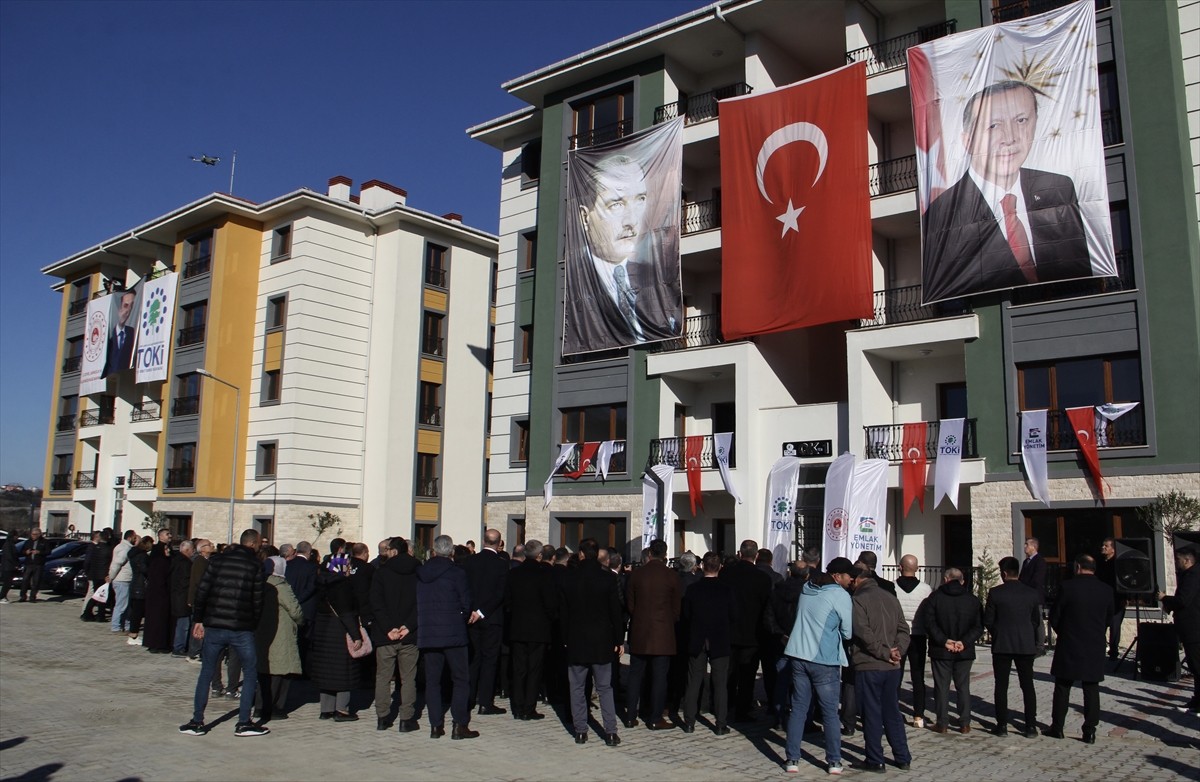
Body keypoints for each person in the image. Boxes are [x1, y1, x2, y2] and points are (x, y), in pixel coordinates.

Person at [921, 80, 1091, 301]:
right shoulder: (943, 212)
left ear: (1035, 125)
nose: (1010, 138)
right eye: (994, 126)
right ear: (968, 141)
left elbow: (1079, 270)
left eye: (1021, 120)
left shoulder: (1059, 187)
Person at [564, 152, 682, 353]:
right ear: (585, 217)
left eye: (640, 199)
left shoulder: (653, 277)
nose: (632, 221)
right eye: (616, 204)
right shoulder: (572, 281)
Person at [180, 528, 268, 737]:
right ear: (253, 544)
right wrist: (253, 624)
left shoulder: (217, 561)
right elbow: (257, 600)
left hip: (215, 624)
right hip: (241, 627)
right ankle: (244, 722)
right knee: (250, 672)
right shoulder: (255, 565)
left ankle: (197, 720)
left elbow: (203, 591)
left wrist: (199, 619)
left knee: (207, 672)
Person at [782, 557, 856, 776]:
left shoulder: (807, 587)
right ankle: (834, 760)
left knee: (798, 708)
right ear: (837, 576)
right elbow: (848, 632)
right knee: (830, 712)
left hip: (798, 654)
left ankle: (792, 758)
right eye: (849, 576)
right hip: (823, 659)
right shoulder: (840, 595)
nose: (851, 579)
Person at [848, 564, 912, 773]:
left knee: (872, 714)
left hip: (870, 664)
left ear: (857, 579)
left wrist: (887, 653)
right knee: (892, 711)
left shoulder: (859, 599)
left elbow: (863, 633)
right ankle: (902, 757)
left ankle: (875, 759)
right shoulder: (890, 597)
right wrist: (898, 651)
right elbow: (904, 629)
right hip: (891, 667)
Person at [561, 537, 623, 745]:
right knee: (605, 687)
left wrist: (564, 637)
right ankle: (611, 732)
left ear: (580, 554)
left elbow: (563, 612)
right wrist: (619, 639)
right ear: (597, 555)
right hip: (602, 640)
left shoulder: (569, 577)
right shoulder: (608, 578)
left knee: (577, 686)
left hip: (576, 638)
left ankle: (580, 730)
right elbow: (615, 612)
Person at [1047, 554, 1114, 743]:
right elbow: (1109, 618)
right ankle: (1090, 730)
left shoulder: (1067, 587)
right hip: (1094, 644)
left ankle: (1057, 727)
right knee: (1091, 687)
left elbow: (1055, 616)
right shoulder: (1106, 590)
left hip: (1069, 643)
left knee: (1062, 686)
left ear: (1077, 567)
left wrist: (1064, 632)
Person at [416, 534, 478, 740]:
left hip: (429, 632)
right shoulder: (457, 573)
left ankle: (435, 725)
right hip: (454, 633)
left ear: (434, 551)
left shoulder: (421, 573)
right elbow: (466, 602)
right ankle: (459, 724)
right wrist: (461, 616)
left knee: (433, 681)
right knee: (460, 679)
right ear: (451, 552)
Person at [624, 538, 681, 729]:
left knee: (635, 675)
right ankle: (655, 718)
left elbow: (630, 605)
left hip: (640, 631)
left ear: (649, 553)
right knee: (659, 677)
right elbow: (676, 608)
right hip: (663, 632)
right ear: (665, 555)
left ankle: (630, 716)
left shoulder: (637, 575)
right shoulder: (671, 576)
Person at [984, 556, 1042, 737]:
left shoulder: (996, 593)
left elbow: (988, 620)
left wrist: (998, 632)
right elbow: (1035, 621)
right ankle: (1030, 726)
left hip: (1002, 644)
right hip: (1025, 645)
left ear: (1004, 573)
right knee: (1027, 685)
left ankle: (1002, 725)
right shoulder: (1031, 593)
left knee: (1001, 685)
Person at [370, 536, 422, 732]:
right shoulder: (418, 570)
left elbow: (376, 602)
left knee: (383, 676)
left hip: (386, 635)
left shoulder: (381, 571)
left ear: (393, 551)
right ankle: (406, 718)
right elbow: (421, 601)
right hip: (409, 633)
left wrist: (388, 628)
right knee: (408, 678)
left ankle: (382, 717)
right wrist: (408, 625)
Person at [681, 551, 735, 735]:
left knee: (694, 680)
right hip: (719, 638)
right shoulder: (726, 590)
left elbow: (686, 615)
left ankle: (689, 721)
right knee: (720, 683)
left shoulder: (693, 589)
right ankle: (720, 723)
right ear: (720, 567)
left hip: (698, 638)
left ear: (702, 566)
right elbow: (733, 615)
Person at [719, 539, 773, 722]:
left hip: (729, 630)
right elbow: (766, 607)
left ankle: (726, 705)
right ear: (756, 556)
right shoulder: (763, 578)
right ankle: (743, 709)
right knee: (747, 674)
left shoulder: (726, 573)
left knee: (729, 672)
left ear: (739, 553)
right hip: (753, 632)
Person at [924, 567, 982, 733]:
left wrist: (944, 641)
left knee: (942, 686)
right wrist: (964, 642)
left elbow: (929, 623)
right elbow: (978, 626)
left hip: (941, 649)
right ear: (962, 581)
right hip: (964, 650)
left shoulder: (935, 598)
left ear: (946, 579)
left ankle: (942, 723)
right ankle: (965, 723)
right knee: (963, 686)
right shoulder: (972, 600)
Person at [504, 539, 557, 722]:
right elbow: (550, 603)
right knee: (534, 669)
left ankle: (518, 707)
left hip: (518, 627)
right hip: (538, 629)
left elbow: (508, 601)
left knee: (519, 669)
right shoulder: (544, 575)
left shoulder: (514, 574)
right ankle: (529, 707)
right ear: (540, 555)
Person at [310, 545, 364, 722]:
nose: (349, 569)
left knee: (326, 671)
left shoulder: (321, 584)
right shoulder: (342, 586)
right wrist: (356, 635)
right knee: (343, 672)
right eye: (347, 565)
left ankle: (326, 709)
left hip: (322, 632)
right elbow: (346, 613)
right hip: (339, 632)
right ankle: (341, 709)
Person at [460, 528, 508, 715]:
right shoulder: (501, 564)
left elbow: (464, 588)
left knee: (474, 658)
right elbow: (500, 593)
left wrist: (472, 611)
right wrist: (482, 612)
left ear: (483, 541)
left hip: (471, 617)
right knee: (490, 660)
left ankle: (469, 698)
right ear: (499, 543)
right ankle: (485, 702)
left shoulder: (470, 561)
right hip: (492, 617)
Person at [254, 555, 302, 723]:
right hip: (281, 633)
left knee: (264, 671)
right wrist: (301, 621)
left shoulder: (260, 583)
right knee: (281, 672)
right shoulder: (281, 586)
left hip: (262, 632)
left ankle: (259, 706)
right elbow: (295, 610)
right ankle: (275, 707)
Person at [1157, 546, 1198, 716]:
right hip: (1189, 628)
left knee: (1197, 666)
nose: (1176, 563)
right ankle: (1196, 701)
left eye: (1178, 560)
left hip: (1194, 629)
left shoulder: (1193, 576)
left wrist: (1164, 598)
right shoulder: (1188, 575)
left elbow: (1183, 600)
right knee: (1195, 667)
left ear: (1187, 560)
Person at [894, 554, 932, 727]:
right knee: (918, 676)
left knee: (896, 675)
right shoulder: (925, 589)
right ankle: (918, 715)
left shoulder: (893, 587)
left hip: (898, 635)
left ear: (900, 567)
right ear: (917, 568)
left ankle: (894, 710)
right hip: (918, 635)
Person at [142, 531, 174, 653]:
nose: (170, 536)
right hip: (157, 590)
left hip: (163, 589)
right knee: (156, 618)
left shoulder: (167, 550)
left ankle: (161, 643)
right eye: (167, 534)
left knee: (162, 618)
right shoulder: (157, 552)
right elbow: (156, 570)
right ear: (160, 536)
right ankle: (155, 643)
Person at [1096, 537, 1127, 659]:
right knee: (1100, 625)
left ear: (1113, 549)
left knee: (1115, 626)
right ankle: (1100, 648)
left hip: (1116, 599)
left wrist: (1124, 598)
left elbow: (1123, 581)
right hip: (1102, 599)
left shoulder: (1118, 563)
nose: (1103, 548)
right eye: (1103, 545)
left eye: (1106, 546)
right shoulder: (1100, 563)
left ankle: (1113, 651)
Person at [107, 530, 138, 633]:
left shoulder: (124, 547)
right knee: (121, 604)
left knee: (126, 605)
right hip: (122, 580)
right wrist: (111, 576)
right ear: (129, 537)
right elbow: (117, 564)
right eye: (134, 537)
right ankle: (116, 626)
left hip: (125, 579)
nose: (135, 539)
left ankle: (125, 625)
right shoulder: (125, 549)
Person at [124, 536, 152, 646]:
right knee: (137, 612)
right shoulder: (142, 556)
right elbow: (145, 570)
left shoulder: (134, 554)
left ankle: (133, 633)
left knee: (136, 611)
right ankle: (133, 635)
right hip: (140, 586)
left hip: (135, 584)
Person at [81, 529, 113, 621]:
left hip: (94, 574)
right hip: (103, 575)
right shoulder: (108, 549)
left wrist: (87, 571)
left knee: (98, 595)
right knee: (99, 595)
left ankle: (98, 614)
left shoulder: (95, 548)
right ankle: (90, 613)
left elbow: (88, 562)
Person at [103, 289, 136, 377]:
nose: (128, 310)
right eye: (126, 305)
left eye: (131, 306)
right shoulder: (107, 335)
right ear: (118, 308)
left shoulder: (132, 333)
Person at [170, 540, 195, 656]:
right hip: (182, 596)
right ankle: (179, 647)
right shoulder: (185, 563)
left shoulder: (175, 560)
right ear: (187, 550)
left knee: (182, 623)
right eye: (192, 550)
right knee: (183, 624)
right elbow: (185, 581)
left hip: (177, 595)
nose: (193, 552)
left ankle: (179, 646)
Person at [18, 527, 52, 602]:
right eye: (32, 534)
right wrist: (26, 552)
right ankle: (23, 596)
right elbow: (22, 551)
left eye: (35, 534)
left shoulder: (44, 542)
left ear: (39, 535)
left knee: (36, 581)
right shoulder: (28, 542)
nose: (33, 536)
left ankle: (32, 597)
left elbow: (48, 552)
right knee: (25, 580)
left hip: (38, 564)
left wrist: (39, 552)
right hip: (29, 563)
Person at [0, 533, 20, 603]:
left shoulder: (11, 544)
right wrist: (15, 564)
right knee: (7, 583)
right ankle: (2, 597)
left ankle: (3, 596)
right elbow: (10, 556)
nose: (17, 538)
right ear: (13, 536)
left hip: (9, 566)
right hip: (7, 567)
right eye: (16, 537)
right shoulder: (8, 545)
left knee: (8, 583)